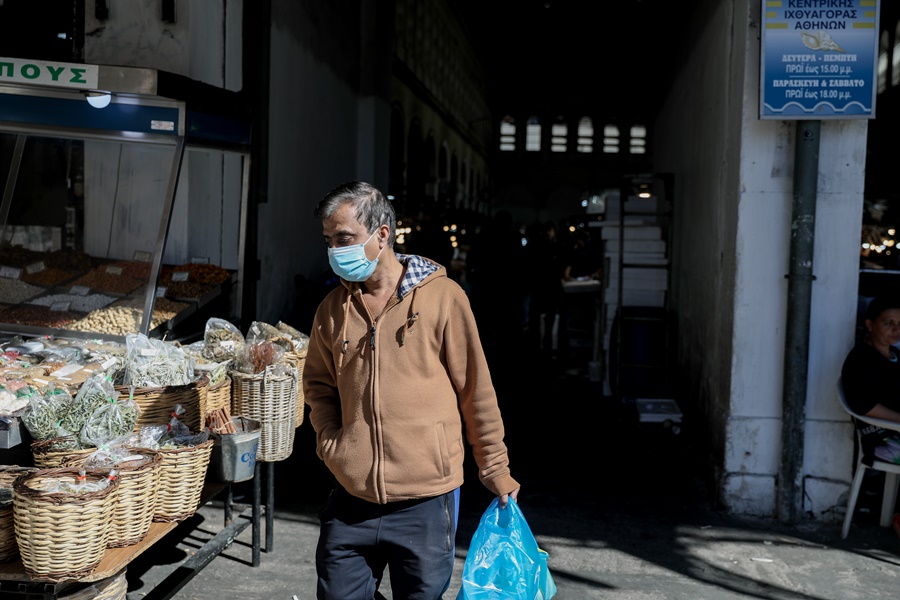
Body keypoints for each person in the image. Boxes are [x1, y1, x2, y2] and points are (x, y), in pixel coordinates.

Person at [303, 181, 521, 600]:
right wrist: (334, 443)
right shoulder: (332, 310)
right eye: (329, 240)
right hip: (352, 498)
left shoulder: (444, 298)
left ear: (382, 233)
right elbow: (317, 384)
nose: (334, 250)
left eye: (344, 238)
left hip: (425, 500)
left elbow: (474, 387)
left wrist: (495, 467)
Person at [841, 294, 900, 466]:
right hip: (884, 439)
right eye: (888, 323)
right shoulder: (861, 359)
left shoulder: (896, 355)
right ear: (870, 325)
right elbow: (864, 405)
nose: (896, 330)